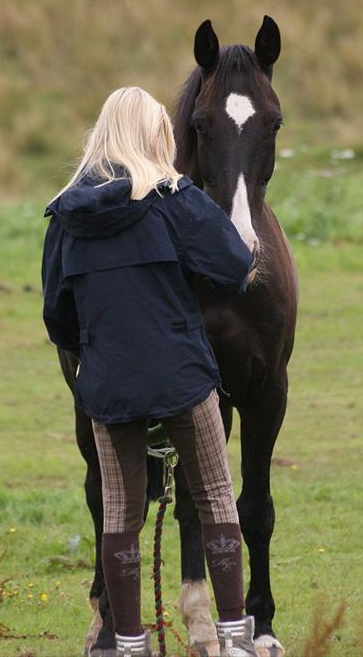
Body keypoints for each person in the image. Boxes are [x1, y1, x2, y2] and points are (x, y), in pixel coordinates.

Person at [41, 87, 256, 657]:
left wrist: (99, 348)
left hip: (108, 385)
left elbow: (56, 314)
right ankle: (234, 638)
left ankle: (129, 644)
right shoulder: (173, 197)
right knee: (215, 497)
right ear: (156, 134)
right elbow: (235, 265)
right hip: (183, 376)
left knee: (120, 513)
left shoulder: (66, 214)